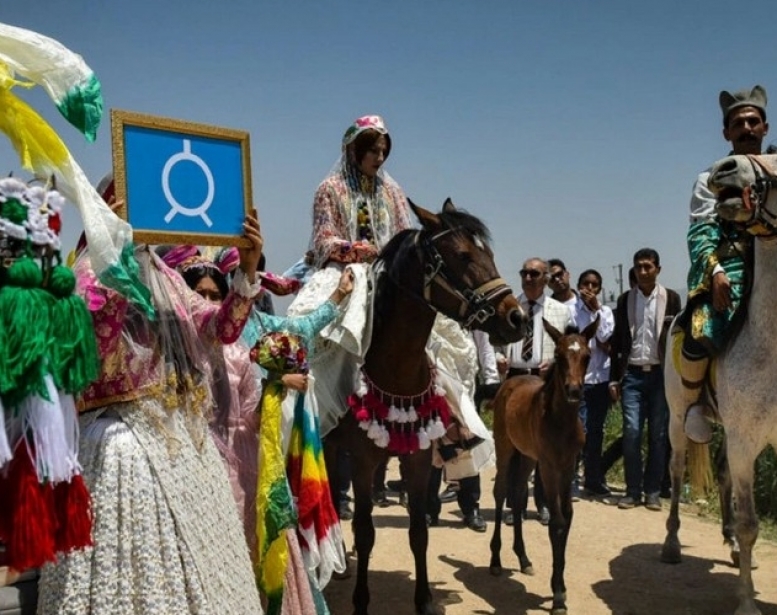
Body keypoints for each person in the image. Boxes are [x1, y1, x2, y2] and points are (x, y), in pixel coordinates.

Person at [38, 180, 267, 613]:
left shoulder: (168, 279)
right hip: (118, 445)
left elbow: (219, 329)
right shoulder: (89, 271)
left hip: (181, 441)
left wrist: (247, 273)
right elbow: (93, 341)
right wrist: (115, 255)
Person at [680, 85, 768, 444]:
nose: (746, 128)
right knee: (701, 329)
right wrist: (714, 271)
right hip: (730, 263)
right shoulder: (711, 178)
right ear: (726, 133)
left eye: (753, 121)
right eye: (738, 124)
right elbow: (700, 233)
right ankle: (693, 403)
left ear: (765, 127)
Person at [498, 257, 574, 524]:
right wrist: (499, 358)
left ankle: (543, 502)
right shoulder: (510, 306)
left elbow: (567, 349)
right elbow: (495, 340)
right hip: (515, 376)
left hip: (544, 381)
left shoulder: (560, 311)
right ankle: (513, 504)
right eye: (524, 273)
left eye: (534, 274)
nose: (528, 278)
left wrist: (553, 363)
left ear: (546, 278)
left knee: (545, 444)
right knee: (513, 444)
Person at [608, 248, 681, 511]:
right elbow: (618, 341)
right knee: (632, 432)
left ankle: (652, 491)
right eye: (638, 267)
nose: (642, 271)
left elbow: (677, 339)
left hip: (662, 376)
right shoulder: (626, 299)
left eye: (648, 267)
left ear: (658, 269)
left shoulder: (671, 299)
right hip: (632, 376)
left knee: (659, 435)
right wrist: (613, 379)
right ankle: (632, 490)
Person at [574, 269, 615, 497]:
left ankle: (593, 478)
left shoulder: (605, 312)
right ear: (579, 285)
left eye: (595, 285)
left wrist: (596, 310)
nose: (589, 289)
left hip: (601, 378)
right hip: (579, 379)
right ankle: (572, 477)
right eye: (586, 284)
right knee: (580, 430)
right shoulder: (572, 311)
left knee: (597, 431)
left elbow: (605, 339)